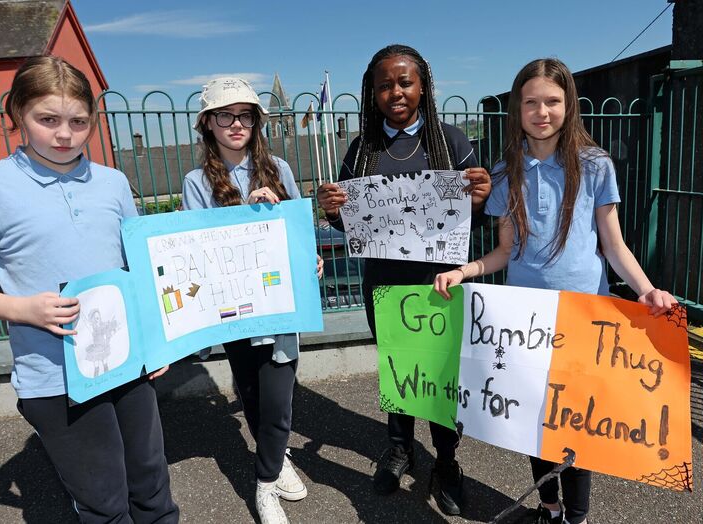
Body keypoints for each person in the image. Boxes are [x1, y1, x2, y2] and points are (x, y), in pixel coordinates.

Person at [433, 58, 677, 524]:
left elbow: (614, 243)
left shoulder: (595, 164)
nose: (541, 111)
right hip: (526, 324)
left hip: (585, 319)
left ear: (568, 105)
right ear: (517, 109)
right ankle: (549, 508)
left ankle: (577, 516)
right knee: (535, 424)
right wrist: (464, 271)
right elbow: (504, 252)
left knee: (578, 425)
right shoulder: (505, 172)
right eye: (530, 102)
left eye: (551, 101)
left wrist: (646, 290)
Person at [0, 56, 179, 523]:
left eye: (78, 121)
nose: (64, 134)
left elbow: (137, 269)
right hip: (54, 376)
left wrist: (155, 339)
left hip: (128, 363)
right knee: (105, 501)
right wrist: (23, 308)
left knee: (151, 484)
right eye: (47, 119)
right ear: (17, 115)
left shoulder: (113, 182)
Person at [316, 44, 491, 516]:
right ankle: (399, 449)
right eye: (385, 85)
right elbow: (349, 224)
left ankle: (448, 461)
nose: (396, 92)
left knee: (439, 373)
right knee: (396, 367)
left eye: (405, 82)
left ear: (423, 87)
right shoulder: (363, 150)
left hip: (441, 284)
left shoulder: (452, 143)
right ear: (372, 94)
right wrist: (333, 212)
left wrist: (477, 201)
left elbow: (471, 222)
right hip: (384, 285)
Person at [182, 77, 323, 524]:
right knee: (253, 398)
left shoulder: (277, 167)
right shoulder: (196, 181)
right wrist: (241, 214)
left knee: (279, 399)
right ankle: (277, 459)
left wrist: (307, 252)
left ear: (256, 122)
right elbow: (196, 249)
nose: (236, 124)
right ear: (208, 123)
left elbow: (300, 236)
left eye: (244, 115)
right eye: (225, 115)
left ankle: (264, 489)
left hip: (279, 311)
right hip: (233, 314)